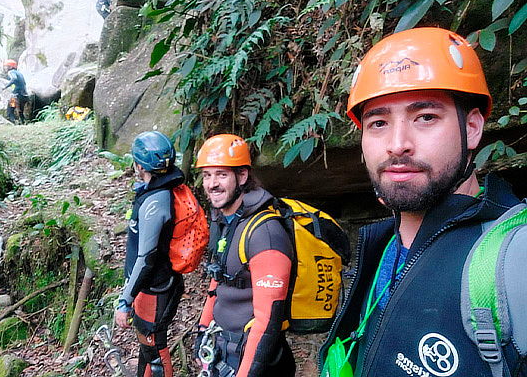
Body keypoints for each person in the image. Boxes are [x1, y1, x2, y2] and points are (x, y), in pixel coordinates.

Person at [320, 27, 526, 377]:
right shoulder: (384, 244)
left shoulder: (513, 257)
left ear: (473, 128)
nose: (397, 143)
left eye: (425, 117)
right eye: (379, 123)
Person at [195, 134, 296, 377]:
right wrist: (203, 329)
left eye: (221, 174)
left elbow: (267, 321)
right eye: (207, 175)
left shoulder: (265, 233)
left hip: (256, 357)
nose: (212, 184)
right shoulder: (225, 220)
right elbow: (218, 279)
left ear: (242, 176)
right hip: (223, 345)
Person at [115, 131, 186, 377]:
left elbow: (146, 257)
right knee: (147, 346)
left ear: (139, 165)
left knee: (154, 346)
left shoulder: (156, 201)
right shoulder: (156, 190)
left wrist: (124, 300)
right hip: (149, 287)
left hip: (155, 288)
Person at [3, 59, 29, 124]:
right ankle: (23, 122)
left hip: (16, 95)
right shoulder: (19, 73)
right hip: (24, 95)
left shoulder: (11, 72)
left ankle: (13, 122)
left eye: (6, 66)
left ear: (10, 67)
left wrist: (6, 86)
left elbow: (14, 79)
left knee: (10, 109)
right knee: (20, 111)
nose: (5, 68)